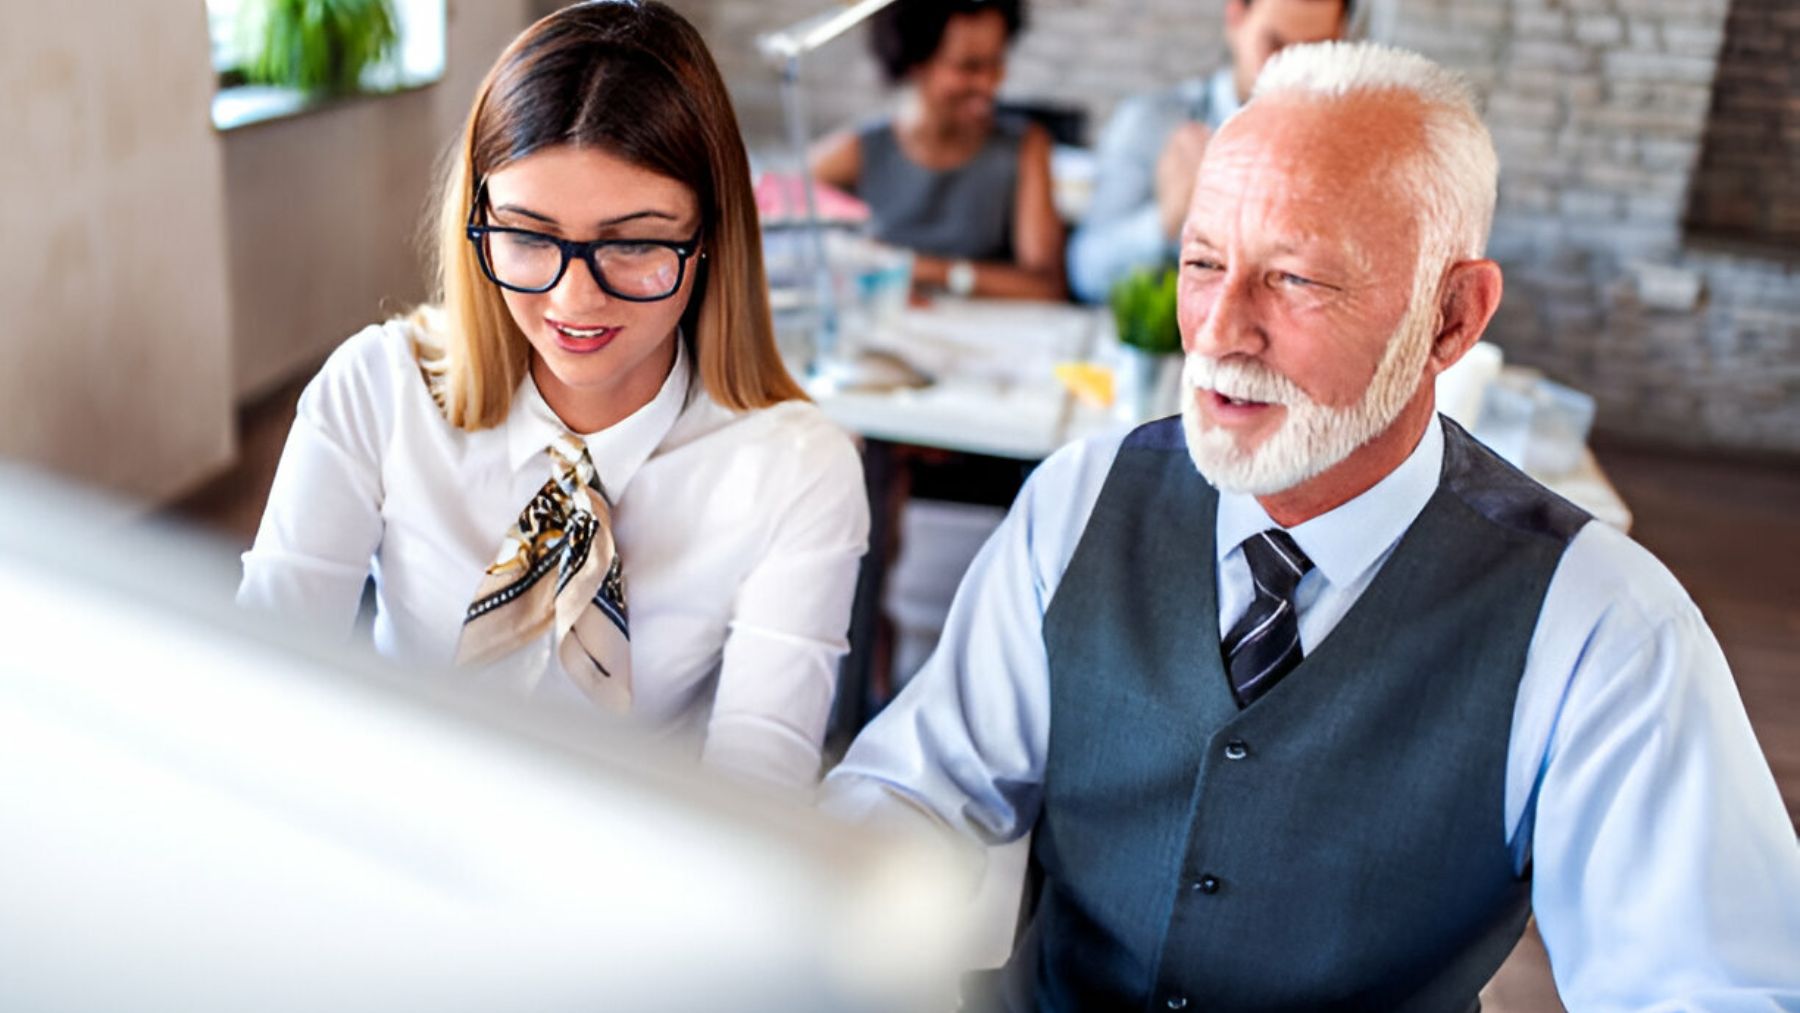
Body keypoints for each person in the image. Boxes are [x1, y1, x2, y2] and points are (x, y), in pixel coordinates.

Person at [823, 41, 1800, 1010]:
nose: (1217, 330)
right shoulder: (1079, 499)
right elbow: (916, 786)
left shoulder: (1598, 622)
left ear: (1453, 318)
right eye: (1203, 261)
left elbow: (1711, 985)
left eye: (1294, 278)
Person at [238, 0, 869, 790]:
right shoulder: (378, 389)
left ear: (709, 238)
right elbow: (262, 685)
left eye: (634, 242)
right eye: (530, 236)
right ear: (478, 223)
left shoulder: (796, 469)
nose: (574, 301)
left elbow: (758, 789)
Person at [1066, 0, 1349, 303]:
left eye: (1314, 51)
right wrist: (1169, 217)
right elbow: (1087, 274)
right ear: (1236, 17)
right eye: (1275, 44)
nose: (1293, 72)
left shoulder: (1351, 149)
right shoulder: (1152, 121)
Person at [810, 0, 1065, 301]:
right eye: (968, 67)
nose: (988, 85)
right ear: (915, 63)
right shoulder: (859, 150)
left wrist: (914, 269)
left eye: (996, 63)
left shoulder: (1025, 147)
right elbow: (771, 221)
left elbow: (1046, 287)